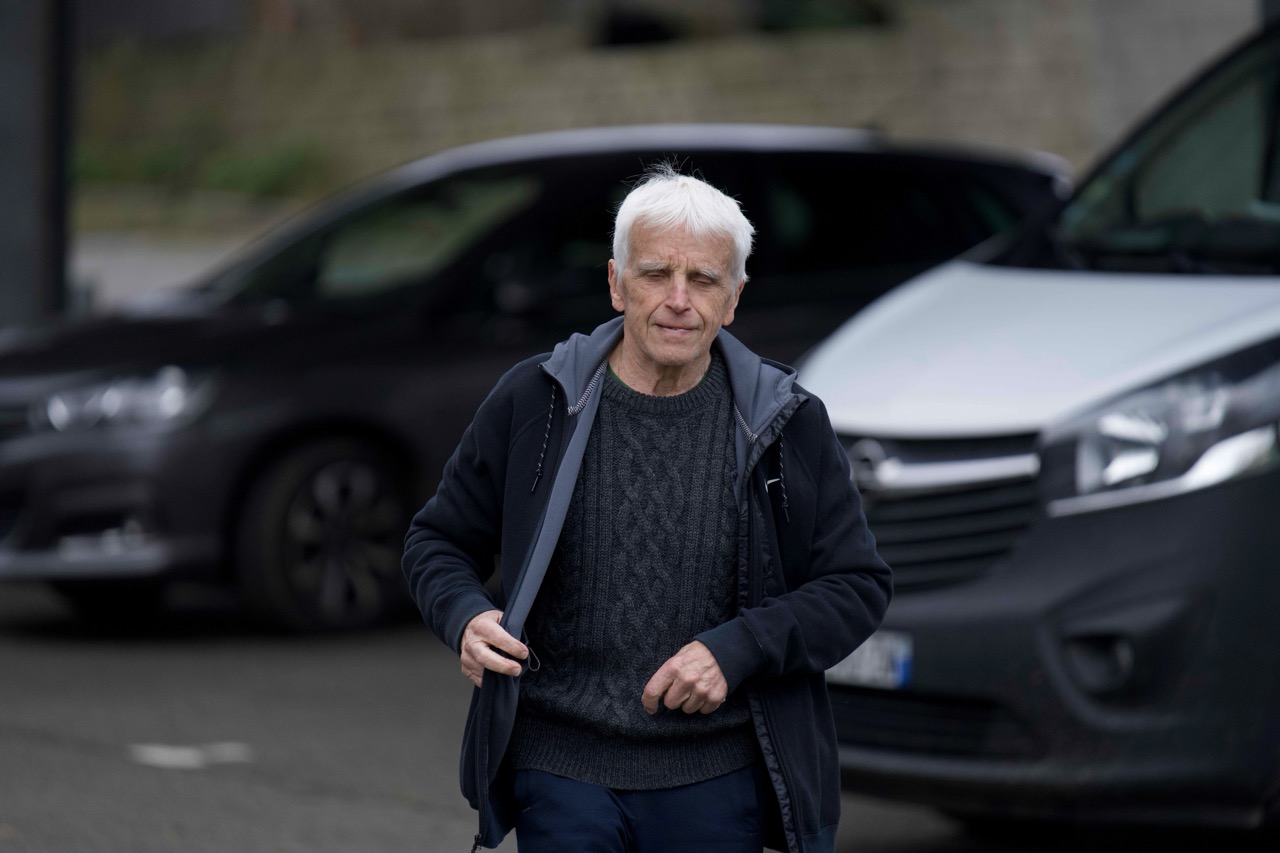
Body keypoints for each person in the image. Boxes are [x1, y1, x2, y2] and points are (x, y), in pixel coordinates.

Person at [402, 164, 892, 853]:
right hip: (559, 764)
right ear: (616, 283)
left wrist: (738, 649)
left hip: (717, 776)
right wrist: (465, 615)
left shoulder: (788, 421)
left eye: (703, 280)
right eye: (656, 274)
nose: (678, 300)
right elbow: (437, 541)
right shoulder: (536, 399)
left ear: (734, 299)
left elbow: (856, 586)